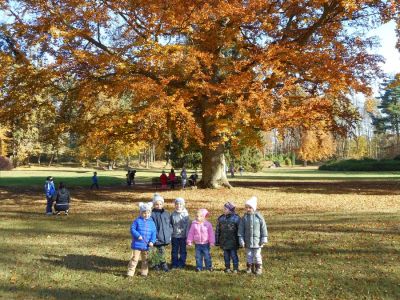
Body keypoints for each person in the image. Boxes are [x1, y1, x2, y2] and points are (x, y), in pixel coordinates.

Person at [238, 196, 268, 275]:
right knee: (249, 255)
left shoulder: (259, 217)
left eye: (250, 207)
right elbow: (241, 230)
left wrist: (264, 238)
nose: (248, 209)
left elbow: (263, 228)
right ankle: (249, 267)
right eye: (246, 207)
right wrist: (241, 239)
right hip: (248, 242)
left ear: (254, 208)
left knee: (257, 255)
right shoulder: (244, 218)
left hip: (257, 242)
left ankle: (258, 267)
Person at [127, 202, 157, 277]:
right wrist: (137, 235)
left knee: (145, 260)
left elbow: (154, 232)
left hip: (146, 245)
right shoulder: (137, 221)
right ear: (141, 213)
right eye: (144, 213)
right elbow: (132, 229)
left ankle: (144, 272)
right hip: (137, 244)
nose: (146, 215)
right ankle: (130, 272)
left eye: (148, 213)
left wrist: (152, 241)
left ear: (150, 213)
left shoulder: (152, 223)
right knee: (134, 259)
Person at [215, 202, 241, 273]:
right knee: (226, 255)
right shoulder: (221, 219)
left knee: (233, 255)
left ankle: (235, 268)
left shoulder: (236, 218)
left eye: (225, 209)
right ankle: (227, 267)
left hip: (233, 242)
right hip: (224, 241)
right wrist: (217, 241)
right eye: (224, 209)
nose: (224, 210)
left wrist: (240, 241)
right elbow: (218, 230)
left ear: (230, 210)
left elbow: (240, 231)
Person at [151, 194, 172, 272]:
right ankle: (156, 264)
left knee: (161, 250)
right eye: (156, 204)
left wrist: (169, 232)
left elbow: (169, 224)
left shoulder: (166, 213)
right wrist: (153, 236)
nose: (159, 206)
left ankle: (163, 263)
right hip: (155, 237)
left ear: (162, 204)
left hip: (164, 236)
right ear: (154, 205)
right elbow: (151, 226)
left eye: (160, 204)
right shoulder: (151, 214)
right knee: (154, 251)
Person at [170, 197, 190, 269]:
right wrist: (170, 235)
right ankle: (174, 263)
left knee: (183, 251)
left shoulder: (186, 215)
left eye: (180, 204)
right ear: (175, 205)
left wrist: (187, 236)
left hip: (183, 236)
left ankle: (182, 263)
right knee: (174, 251)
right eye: (177, 204)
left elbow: (188, 226)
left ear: (183, 205)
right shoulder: (172, 214)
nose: (178, 206)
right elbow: (171, 225)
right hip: (175, 236)